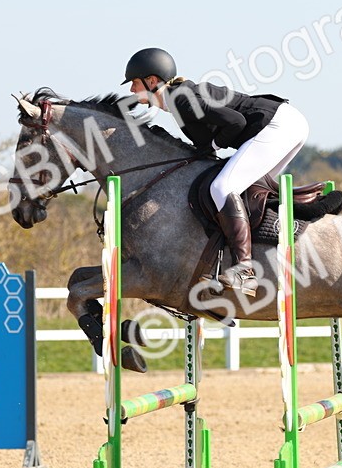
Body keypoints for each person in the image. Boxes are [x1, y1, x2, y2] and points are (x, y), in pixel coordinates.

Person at [123, 47, 309, 297]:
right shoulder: (179, 98)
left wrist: (213, 146)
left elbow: (236, 122)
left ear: (152, 81)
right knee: (245, 191)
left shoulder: (181, 99)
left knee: (222, 187)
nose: (131, 91)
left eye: (135, 83)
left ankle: (245, 270)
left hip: (277, 126)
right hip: (286, 124)